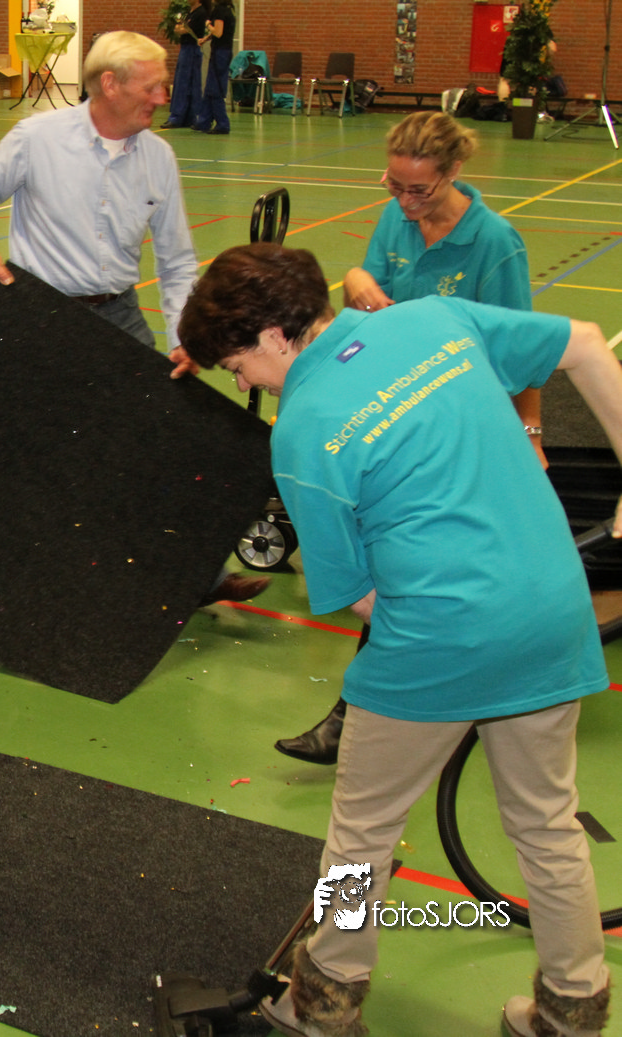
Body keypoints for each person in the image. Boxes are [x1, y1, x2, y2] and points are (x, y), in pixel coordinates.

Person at [178, 242, 616, 1037]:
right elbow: (584, 342)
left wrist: (447, 642)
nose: (241, 382)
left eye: (237, 365)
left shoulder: (302, 429)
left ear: (273, 335)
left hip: (437, 638)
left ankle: (324, 1001)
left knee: (361, 834)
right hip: (552, 610)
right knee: (547, 824)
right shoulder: (433, 320)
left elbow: (360, 596)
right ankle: (571, 1010)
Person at [0, 29, 265, 606]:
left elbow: (176, 261)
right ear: (110, 85)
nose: (163, 98)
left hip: (119, 315)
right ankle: (19, 588)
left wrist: (183, 338)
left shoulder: (159, 158)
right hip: (38, 316)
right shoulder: (37, 138)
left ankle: (200, 577)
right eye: (153, 87)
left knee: (163, 442)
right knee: (35, 456)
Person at [283, 112, 541, 766]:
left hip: (463, 430)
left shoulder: (494, 243)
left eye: (417, 189)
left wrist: (530, 434)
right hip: (401, 425)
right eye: (393, 186)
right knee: (401, 569)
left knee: (420, 577)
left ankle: (365, 718)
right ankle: (376, 713)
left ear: (453, 172)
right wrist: (358, 283)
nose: (403, 201)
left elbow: (523, 352)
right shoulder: (396, 220)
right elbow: (364, 284)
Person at [162, 0, 211, 128]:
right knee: (182, 82)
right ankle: (185, 117)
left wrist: (181, 28)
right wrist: (180, 28)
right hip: (185, 48)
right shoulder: (190, 12)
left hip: (191, 49)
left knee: (186, 83)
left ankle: (181, 116)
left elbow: (184, 30)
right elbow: (177, 29)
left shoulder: (200, 13)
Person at [193, 0, 235, 133]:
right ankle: (203, 121)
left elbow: (218, 32)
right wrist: (205, 39)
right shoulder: (228, 10)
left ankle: (223, 123)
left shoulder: (219, 11)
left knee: (215, 88)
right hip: (223, 52)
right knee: (209, 89)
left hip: (220, 53)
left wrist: (207, 24)